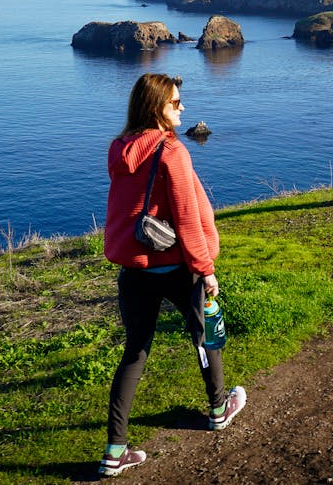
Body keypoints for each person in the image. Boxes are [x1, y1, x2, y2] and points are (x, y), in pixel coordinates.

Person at [99, 73, 245, 477]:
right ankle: (218, 409)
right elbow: (187, 218)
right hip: (178, 267)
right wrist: (206, 269)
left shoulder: (119, 149)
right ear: (155, 109)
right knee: (205, 336)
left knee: (135, 353)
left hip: (134, 270)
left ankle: (114, 451)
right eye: (174, 102)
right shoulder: (172, 151)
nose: (182, 107)